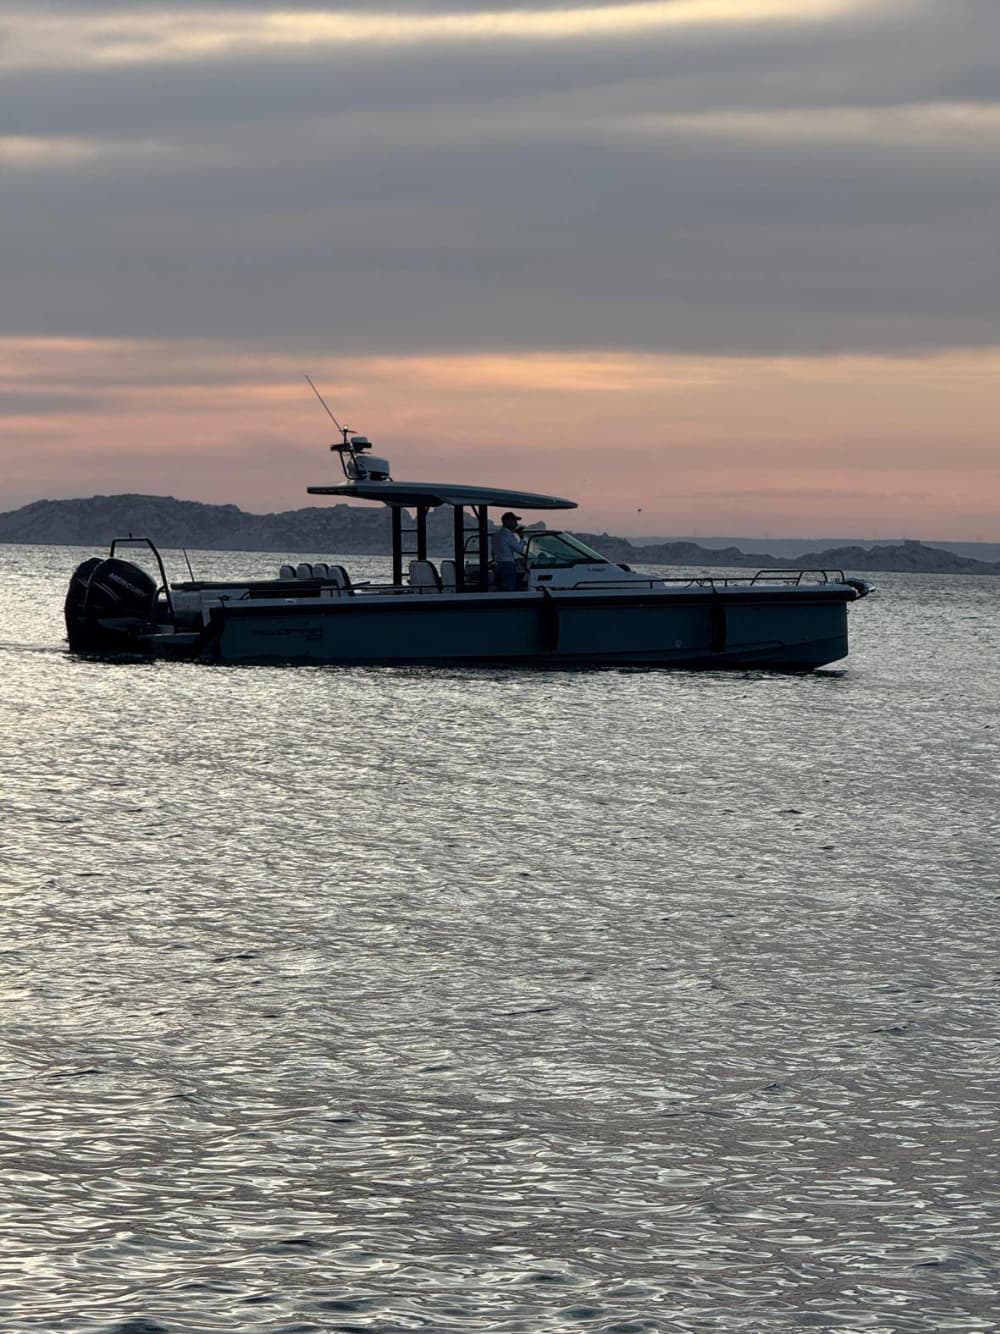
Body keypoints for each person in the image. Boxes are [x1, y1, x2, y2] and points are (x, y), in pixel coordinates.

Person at [491, 511, 525, 591]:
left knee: (499, 590)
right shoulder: (508, 535)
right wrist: (522, 538)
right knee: (509, 590)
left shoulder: (495, 535)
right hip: (508, 566)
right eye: (514, 521)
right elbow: (520, 549)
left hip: (498, 566)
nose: (516, 524)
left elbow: (493, 552)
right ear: (507, 521)